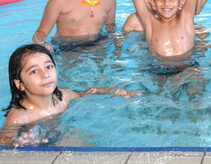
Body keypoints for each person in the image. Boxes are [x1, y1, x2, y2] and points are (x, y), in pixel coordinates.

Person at [1, 44, 141, 146]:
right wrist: (19, 144)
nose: (45, 75)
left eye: (49, 67)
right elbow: (4, 146)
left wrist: (116, 92)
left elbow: (87, 93)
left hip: (59, 134)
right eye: (34, 71)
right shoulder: (19, 117)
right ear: (19, 84)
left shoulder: (63, 97)